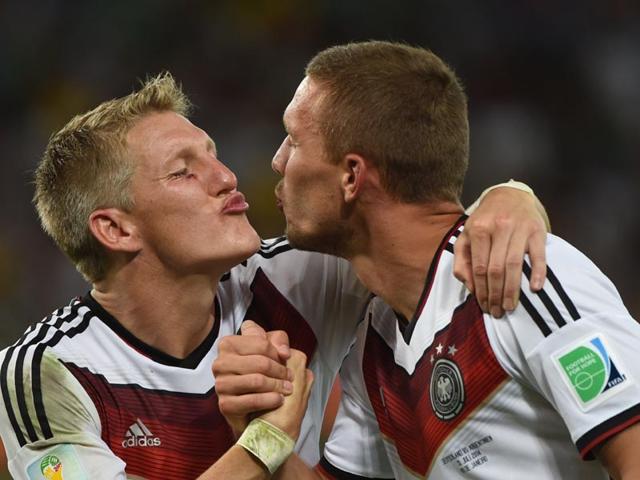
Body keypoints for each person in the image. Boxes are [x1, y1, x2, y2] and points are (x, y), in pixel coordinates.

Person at [0, 73, 546, 479]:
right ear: (116, 230)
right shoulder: (46, 371)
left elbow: (426, 235)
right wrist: (266, 439)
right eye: (183, 171)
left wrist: (511, 198)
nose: (226, 176)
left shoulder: (296, 277)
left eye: (212, 155)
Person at [214, 41, 640, 479]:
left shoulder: (518, 275)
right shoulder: (376, 342)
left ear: (351, 176)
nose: (278, 161)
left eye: (294, 140)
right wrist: (262, 434)